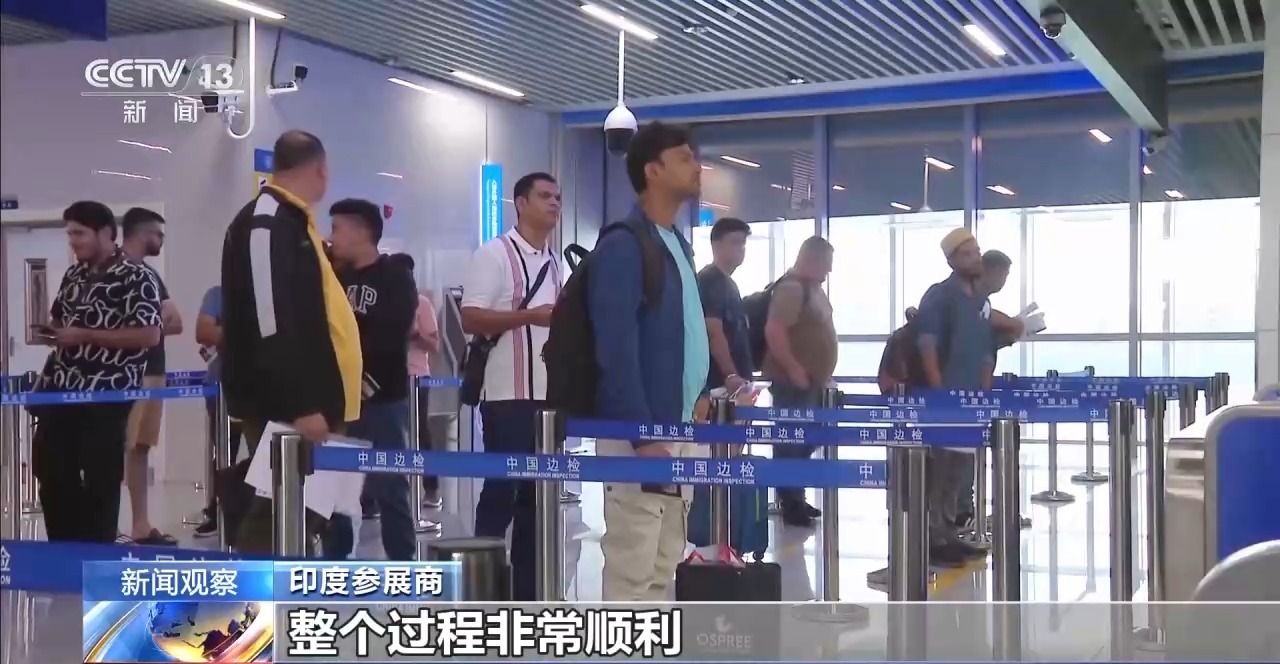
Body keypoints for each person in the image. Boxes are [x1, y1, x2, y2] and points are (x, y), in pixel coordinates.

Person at [220, 130, 362, 554]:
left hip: (315, 400)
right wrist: (301, 404)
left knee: (303, 517)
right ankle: (252, 598)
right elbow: (271, 319)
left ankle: (286, 593)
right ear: (321, 169)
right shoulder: (267, 221)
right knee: (278, 521)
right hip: (289, 405)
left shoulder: (296, 221)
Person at [590, 122, 709, 602]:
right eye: (684, 157)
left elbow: (685, 330)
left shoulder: (676, 243)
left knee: (664, 562)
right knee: (632, 565)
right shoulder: (625, 243)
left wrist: (700, 393)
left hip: (678, 426)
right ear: (652, 171)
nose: (696, 166)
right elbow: (615, 346)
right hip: (643, 433)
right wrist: (643, 435)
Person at [30, 201, 162, 543]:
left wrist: (85, 335)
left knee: (100, 478)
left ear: (105, 232)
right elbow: (62, 319)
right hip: (61, 392)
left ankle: (97, 550)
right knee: (52, 471)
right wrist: (54, 333)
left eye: (79, 233)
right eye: (70, 234)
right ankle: (63, 548)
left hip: (106, 394)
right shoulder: (75, 275)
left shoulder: (137, 276)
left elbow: (149, 334)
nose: (73, 241)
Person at [460, 171, 562, 600]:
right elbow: (470, 318)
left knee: (538, 497)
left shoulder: (554, 260)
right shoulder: (494, 254)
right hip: (507, 395)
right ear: (520, 203)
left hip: (548, 398)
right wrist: (530, 316)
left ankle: (527, 591)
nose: (554, 203)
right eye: (544, 196)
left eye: (557, 197)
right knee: (502, 489)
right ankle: (480, 585)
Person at [323, 199, 419, 560]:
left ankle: (403, 567)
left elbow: (393, 335)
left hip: (382, 399)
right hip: (338, 399)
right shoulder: (334, 278)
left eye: (337, 228)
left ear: (361, 231)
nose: (332, 237)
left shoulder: (394, 276)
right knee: (335, 492)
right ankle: (334, 566)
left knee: (390, 486)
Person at [915, 227, 994, 567]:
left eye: (976, 252)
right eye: (966, 254)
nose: (975, 259)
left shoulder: (980, 299)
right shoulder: (940, 296)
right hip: (946, 397)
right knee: (940, 470)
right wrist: (939, 392)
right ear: (951, 261)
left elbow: (986, 346)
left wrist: (984, 391)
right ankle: (933, 538)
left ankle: (948, 533)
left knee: (959, 472)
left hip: (971, 399)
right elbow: (927, 344)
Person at [117, 207, 183, 546]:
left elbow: (175, 321)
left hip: (152, 371)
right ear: (143, 234)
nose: (161, 240)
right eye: (158, 234)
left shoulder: (150, 275)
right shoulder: (115, 271)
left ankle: (140, 524)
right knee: (118, 446)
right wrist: (140, 329)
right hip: (121, 375)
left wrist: (148, 328)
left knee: (140, 447)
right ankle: (105, 525)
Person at [762, 236, 837, 528]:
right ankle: (789, 503)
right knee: (791, 442)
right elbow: (775, 330)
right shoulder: (792, 289)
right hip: (792, 383)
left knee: (807, 439)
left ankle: (796, 494)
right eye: (826, 264)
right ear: (811, 259)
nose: (829, 270)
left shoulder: (812, 289)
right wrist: (793, 367)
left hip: (811, 383)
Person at [388, 252, 444, 513]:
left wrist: (414, 335)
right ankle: (381, 495)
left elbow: (434, 345)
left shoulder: (422, 304)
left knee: (421, 432)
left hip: (416, 377)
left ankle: (431, 488)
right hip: (387, 377)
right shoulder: (384, 301)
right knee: (387, 435)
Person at [193, 284, 244, 538]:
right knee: (223, 455)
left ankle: (259, 513)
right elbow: (203, 331)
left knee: (265, 454)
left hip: (264, 389)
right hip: (221, 387)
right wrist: (249, 337)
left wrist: (225, 334)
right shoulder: (217, 294)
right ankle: (218, 512)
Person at [698, 217, 753, 396]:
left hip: (736, 384)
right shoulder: (709, 280)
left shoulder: (730, 284)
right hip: (719, 386)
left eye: (743, 243)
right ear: (716, 245)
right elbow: (713, 332)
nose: (741, 248)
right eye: (735, 242)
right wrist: (730, 375)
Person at [877, 307, 919, 395]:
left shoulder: (901, 336)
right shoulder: (903, 338)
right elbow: (901, 373)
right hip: (896, 386)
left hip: (893, 386)